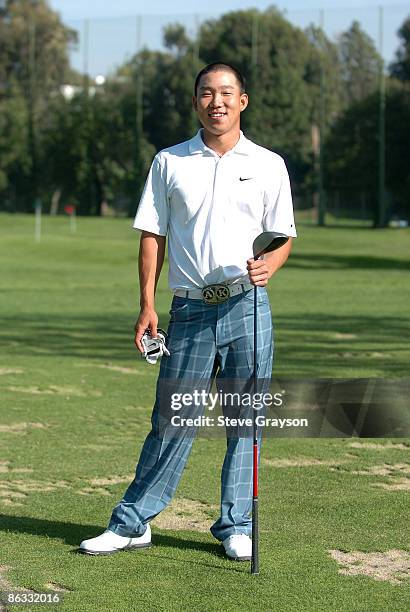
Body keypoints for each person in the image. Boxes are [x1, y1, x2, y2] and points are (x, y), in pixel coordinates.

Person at [80, 62, 297, 560]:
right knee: (172, 418)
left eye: (226, 93)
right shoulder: (170, 161)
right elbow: (152, 236)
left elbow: (282, 236)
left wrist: (270, 264)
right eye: (206, 93)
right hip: (191, 310)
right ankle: (133, 522)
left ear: (243, 101)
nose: (216, 101)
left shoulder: (269, 163)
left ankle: (237, 525)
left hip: (249, 304)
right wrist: (146, 305)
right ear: (196, 101)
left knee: (246, 420)